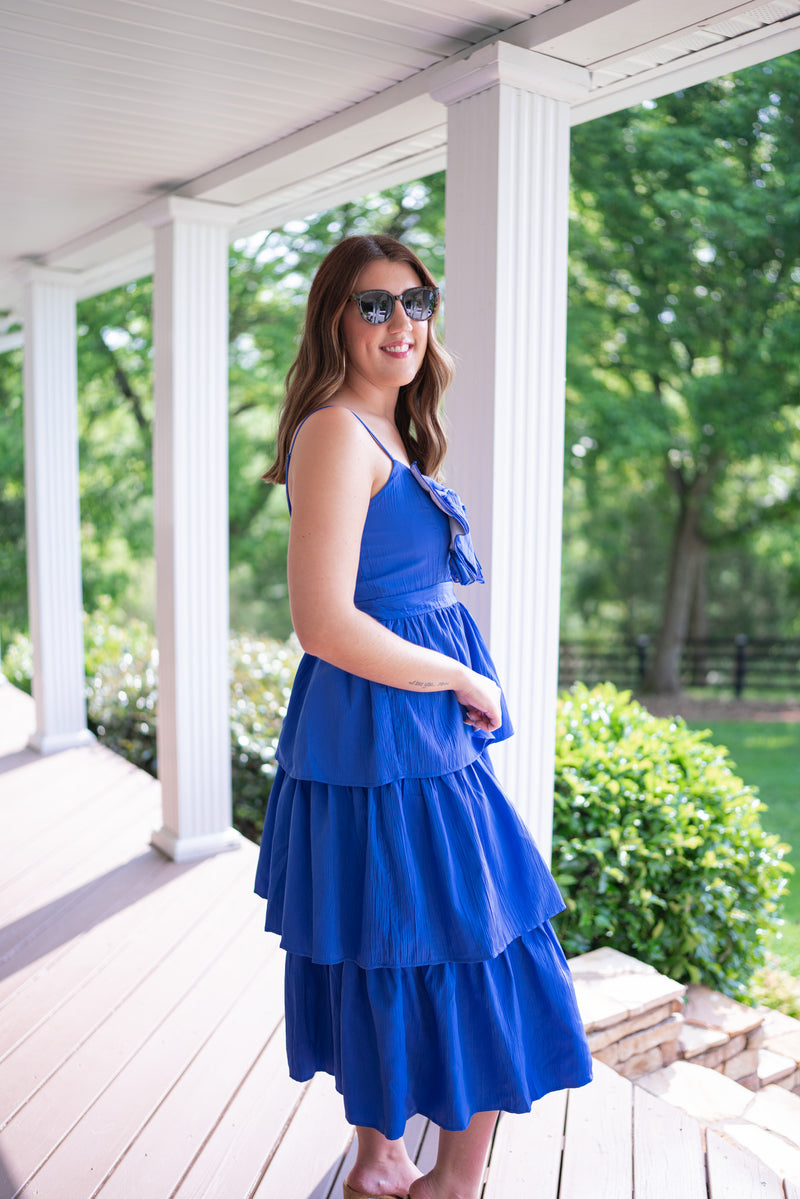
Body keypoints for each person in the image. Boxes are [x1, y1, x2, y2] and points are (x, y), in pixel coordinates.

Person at [255, 234, 592, 1199]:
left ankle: (380, 1157)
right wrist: (459, 676)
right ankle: (449, 1180)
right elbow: (323, 621)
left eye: (417, 300)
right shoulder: (336, 432)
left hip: (404, 735)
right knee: (476, 937)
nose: (402, 321)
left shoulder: (387, 428)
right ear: (335, 319)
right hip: (388, 734)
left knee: (391, 933)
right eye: (375, 304)